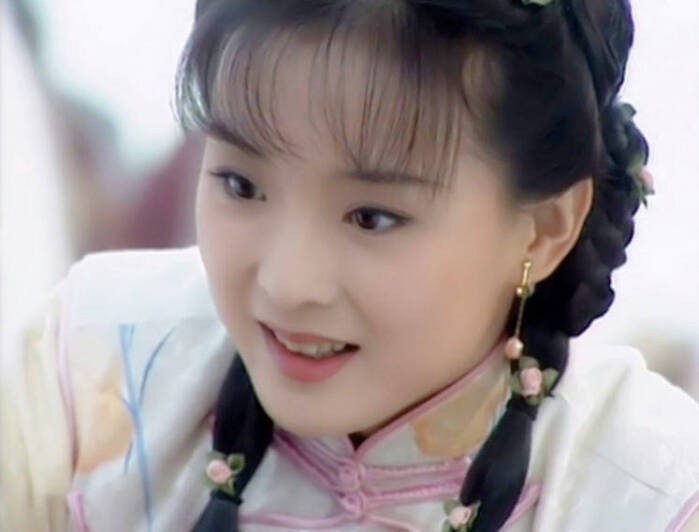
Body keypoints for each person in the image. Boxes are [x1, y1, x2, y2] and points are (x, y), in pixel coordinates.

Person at [2, 0, 698, 531]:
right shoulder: (89, 370)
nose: (286, 284)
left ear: (544, 229)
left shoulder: (651, 495)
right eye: (241, 185)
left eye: (372, 218)